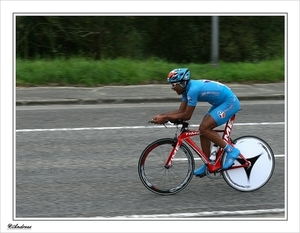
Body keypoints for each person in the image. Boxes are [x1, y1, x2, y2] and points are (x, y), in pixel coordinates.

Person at [152, 68, 241, 177]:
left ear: (182, 83)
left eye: (173, 85)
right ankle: (208, 163)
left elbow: (187, 115)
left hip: (229, 102)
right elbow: (181, 111)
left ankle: (231, 151)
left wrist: (165, 117)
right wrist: (162, 115)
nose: (172, 88)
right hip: (220, 103)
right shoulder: (186, 90)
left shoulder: (193, 90)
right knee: (203, 131)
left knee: (204, 128)